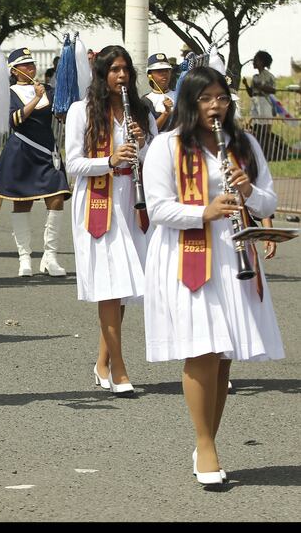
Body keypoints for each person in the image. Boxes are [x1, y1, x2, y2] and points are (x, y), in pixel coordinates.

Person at [142, 66, 284, 485]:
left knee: (223, 357)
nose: (215, 106)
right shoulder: (167, 146)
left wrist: (247, 192)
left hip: (235, 253)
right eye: (205, 98)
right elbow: (158, 208)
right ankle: (205, 446)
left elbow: (268, 200)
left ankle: (209, 440)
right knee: (201, 349)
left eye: (221, 98)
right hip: (187, 255)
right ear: (190, 102)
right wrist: (202, 211)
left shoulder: (245, 143)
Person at [64, 45, 157, 395]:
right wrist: (110, 159)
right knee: (109, 286)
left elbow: (155, 157)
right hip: (98, 203)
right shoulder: (81, 111)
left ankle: (103, 361)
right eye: (115, 70)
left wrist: (143, 142)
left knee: (125, 287)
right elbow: (73, 163)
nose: (122, 76)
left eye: (126, 70)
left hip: (131, 201)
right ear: (102, 75)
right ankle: (118, 368)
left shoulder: (142, 111)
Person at [0, 48, 71, 277]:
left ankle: (50, 257)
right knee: (22, 202)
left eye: (32, 64)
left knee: (56, 198)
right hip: (22, 151)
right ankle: (24, 257)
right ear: (15, 71)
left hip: (47, 151)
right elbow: (15, 121)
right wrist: (36, 98)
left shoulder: (48, 90)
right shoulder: (10, 92)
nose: (31, 68)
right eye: (25, 65)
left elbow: (61, 113)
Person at [142, 53, 176, 132]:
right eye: (159, 71)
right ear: (149, 75)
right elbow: (150, 132)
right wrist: (165, 113)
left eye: (167, 70)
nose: (164, 74)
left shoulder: (180, 95)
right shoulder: (146, 101)